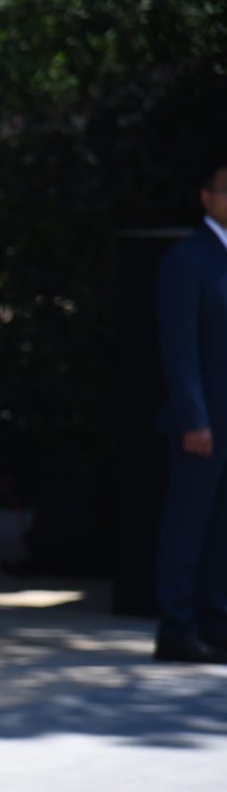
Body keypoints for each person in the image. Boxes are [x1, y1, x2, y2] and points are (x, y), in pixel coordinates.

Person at [152, 156, 227, 663]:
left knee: (222, 528)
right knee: (188, 525)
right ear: (207, 198)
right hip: (205, 422)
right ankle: (175, 626)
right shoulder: (188, 259)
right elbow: (179, 349)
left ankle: (215, 621)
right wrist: (194, 417)